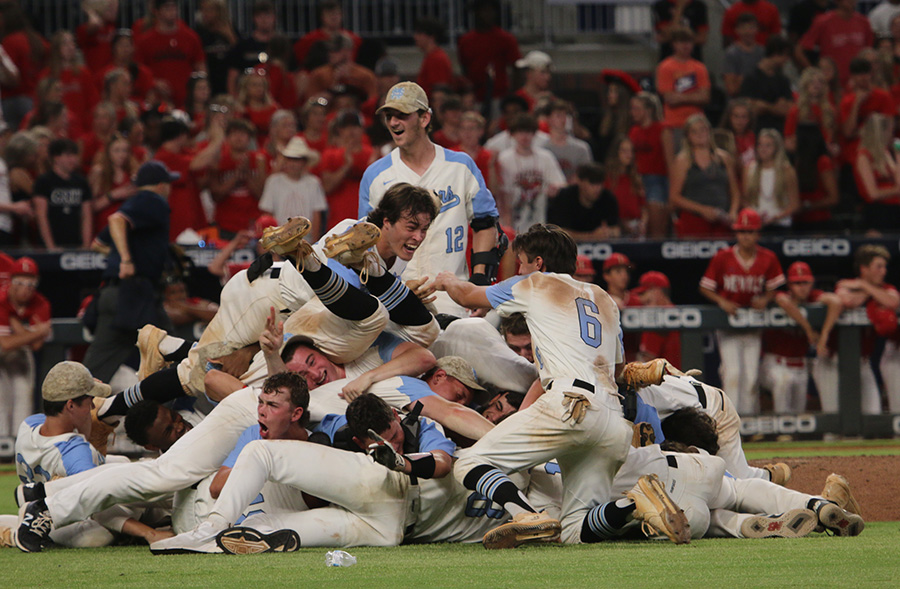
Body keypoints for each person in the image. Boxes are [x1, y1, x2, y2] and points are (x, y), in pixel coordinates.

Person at [431, 224, 684, 547]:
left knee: (469, 462)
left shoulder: (535, 283)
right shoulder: (604, 297)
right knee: (575, 532)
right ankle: (635, 502)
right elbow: (619, 369)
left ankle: (527, 515)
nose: (519, 269)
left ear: (539, 263)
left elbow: (466, 295)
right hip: (612, 419)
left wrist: (446, 280)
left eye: (522, 262)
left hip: (568, 403)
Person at [358, 82, 501, 317]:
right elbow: (367, 242)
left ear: (424, 118)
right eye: (389, 116)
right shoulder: (375, 175)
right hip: (396, 296)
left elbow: (485, 224)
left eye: (402, 115)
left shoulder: (460, 166)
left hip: (454, 296)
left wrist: (478, 281)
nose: (394, 122)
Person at [82, 161, 178, 384]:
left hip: (127, 296)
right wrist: (126, 259)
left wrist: (131, 254)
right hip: (131, 296)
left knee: (173, 355)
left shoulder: (135, 204)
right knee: (177, 358)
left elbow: (98, 243)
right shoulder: (152, 200)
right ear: (162, 185)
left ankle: (175, 412)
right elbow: (116, 220)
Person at [700, 208, 786, 415]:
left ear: (757, 234)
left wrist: (766, 298)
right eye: (741, 231)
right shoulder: (723, 257)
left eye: (750, 231)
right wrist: (721, 301)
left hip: (753, 326)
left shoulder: (768, 257)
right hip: (729, 325)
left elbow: (776, 286)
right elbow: (705, 287)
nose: (745, 236)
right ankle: (732, 423)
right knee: (733, 374)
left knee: (751, 377)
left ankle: (750, 422)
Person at [761, 262, 843, 413]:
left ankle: (794, 436)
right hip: (775, 363)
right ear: (790, 285)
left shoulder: (813, 297)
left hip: (800, 364)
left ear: (812, 283)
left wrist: (824, 336)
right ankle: (782, 434)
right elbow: (783, 301)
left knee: (799, 411)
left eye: (805, 282)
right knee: (782, 384)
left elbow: (836, 301)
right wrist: (808, 329)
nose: (802, 287)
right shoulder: (783, 296)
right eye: (797, 283)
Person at [831, 245, 899, 414]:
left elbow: (893, 302)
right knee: (835, 416)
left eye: (885, 267)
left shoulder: (884, 287)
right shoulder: (846, 285)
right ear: (864, 269)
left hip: (863, 362)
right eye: (878, 267)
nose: (884, 271)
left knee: (873, 413)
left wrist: (864, 286)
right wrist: (871, 291)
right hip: (836, 360)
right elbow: (846, 300)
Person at [0, 257, 51, 439]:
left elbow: (36, 346)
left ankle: (19, 441)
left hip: (18, 354)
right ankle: (2, 441)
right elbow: (4, 343)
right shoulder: (1, 297)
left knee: (22, 390)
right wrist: (36, 332)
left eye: (30, 284)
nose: (25, 289)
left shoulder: (41, 303)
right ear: (11, 283)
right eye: (20, 283)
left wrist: (17, 327)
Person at [669, 114, 741, 237]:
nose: (699, 134)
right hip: (694, 220)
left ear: (709, 131)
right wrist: (703, 210)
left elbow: (735, 192)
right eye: (694, 131)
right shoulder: (683, 161)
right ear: (688, 136)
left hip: (722, 220)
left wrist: (733, 212)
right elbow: (675, 197)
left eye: (703, 129)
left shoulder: (724, 158)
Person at [496, 114, 566, 234]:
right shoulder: (504, 159)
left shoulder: (545, 157)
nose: (524, 136)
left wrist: (554, 188)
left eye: (528, 132)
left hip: (540, 219)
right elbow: (503, 195)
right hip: (513, 220)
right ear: (512, 134)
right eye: (520, 132)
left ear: (534, 134)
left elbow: (560, 183)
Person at [134, 0, 206, 107]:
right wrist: (153, 83)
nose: (172, 12)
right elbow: (138, 70)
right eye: (167, 8)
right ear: (156, 12)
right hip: (159, 102)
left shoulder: (190, 37)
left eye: (174, 8)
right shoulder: (145, 41)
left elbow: (200, 66)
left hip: (186, 101)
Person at [318, 110, 376, 230]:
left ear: (362, 129)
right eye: (346, 127)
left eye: (355, 126)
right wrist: (346, 166)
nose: (351, 131)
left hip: (368, 219)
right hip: (338, 221)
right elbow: (327, 187)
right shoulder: (330, 155)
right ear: (340, 130)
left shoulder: (372, 155)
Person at [32, 138, 93, 250]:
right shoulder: (44, 182)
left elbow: (86, 216)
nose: (73, 160)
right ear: (56, 157)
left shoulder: (81, 182)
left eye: (75, 155)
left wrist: (86, 245)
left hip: (76, 243)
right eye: (68, 155)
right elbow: (41, 217)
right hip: (51, 244)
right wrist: (51, 246)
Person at [258, 137, 327, 235]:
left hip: (305, 239)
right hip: (279, 239)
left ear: (304, 162)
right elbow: (267, 214)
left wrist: (314, 244)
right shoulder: (273, 181)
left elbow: (316, 215)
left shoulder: (313, 182)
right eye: (290, 159)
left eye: (297, 160)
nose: (293, 164)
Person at [456, 0, 521, 103]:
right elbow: (465, 68)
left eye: (491, 11)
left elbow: (517, 67)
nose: (488, 15)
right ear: (477, 13)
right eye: (484, 11)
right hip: (475, 97)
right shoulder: (465, 40)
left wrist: (512, 94)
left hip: (499, 96)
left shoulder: (505, 39)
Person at [796, 0, 874, 85]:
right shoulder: (823, 22)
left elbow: (869, 53)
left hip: (858, 82)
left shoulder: (864, 22)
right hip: (832, 84)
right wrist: (816, 74)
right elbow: (799, 51)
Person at [656, 27, 711, 141]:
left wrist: (680, 97)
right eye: (681, 42)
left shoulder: (699, 67)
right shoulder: (665, 67)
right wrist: (695, 96)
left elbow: (705, 97)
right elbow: (670, 99)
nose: (686, 45)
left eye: (689, 42)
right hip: (674, 124)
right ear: (674, 44)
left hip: (697, 123)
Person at [629, 92, 669, 237]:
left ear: (649, 110)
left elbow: (670, 163)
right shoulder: (634, 131)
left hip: (658, 180)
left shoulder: (662, 129)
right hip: (638, 180)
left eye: (636, 108)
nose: (632, 112)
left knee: (657, 230)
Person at [743, 129, 800, 230]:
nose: (763, 149)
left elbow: (795, 204)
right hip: (755, 226)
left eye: (768, 145)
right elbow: (745, 200)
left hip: (780, 225)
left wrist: (775, 218)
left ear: (777, 148)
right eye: (760, 145)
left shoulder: (786, 170)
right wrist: (755, 216)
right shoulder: (749, 169)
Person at [853, 114, 900, 232]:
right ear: (881, 133)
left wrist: (898, 155)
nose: (892, 136)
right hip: (878, 212)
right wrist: (896, 190)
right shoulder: (863, 156)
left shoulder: (886, 153)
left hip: (895, 209)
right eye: (890, 131)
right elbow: (873, 194)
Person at [737, 36, 793, 133]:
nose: (787, 59)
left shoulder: (783, 80)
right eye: (786, 55)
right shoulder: (751, 78)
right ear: (776, 53)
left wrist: (765, 107)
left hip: (778, 130)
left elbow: (787, 110)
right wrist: (774, 108)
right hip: (756, 129)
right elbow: (749, 109)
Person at [293, 0, 361, 72]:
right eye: (329, 14)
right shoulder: (308, 40)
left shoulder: (355, 39)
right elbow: (301, 64)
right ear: (322, 17)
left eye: (336, 14)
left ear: (342, 15)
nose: (334, 17)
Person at [633, 271, 681, 368]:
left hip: (664, 380)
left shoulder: (655, 319)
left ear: (656, 292)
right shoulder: (678, 312)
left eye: (643, 293)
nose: (641, 299)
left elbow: (645, 364)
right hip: (685, 379)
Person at [784, 67, 837, 154]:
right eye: (812, 82)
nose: (816, 85)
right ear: (805, 85)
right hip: (803, 155)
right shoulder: (795, 111)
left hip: (825, 155)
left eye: (820, 81)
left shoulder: (829, 111)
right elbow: (788, 142)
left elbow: (833, 140)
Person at [542, 100, 593, 183]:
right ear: (548, 119)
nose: (563, 120)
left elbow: (587, 175)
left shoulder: (581, 148)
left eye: (565, 115)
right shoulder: (542, 149)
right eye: (558, 116)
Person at [605, 136, 645, 237]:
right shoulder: (607, 178)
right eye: (624, 151)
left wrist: (643, 223)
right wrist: (622, 223)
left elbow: (643, 206)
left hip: (636, 227)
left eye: (631, 151)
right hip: (614, 228)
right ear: (616, 152)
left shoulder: (635, 178)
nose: (629, 155)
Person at [723, 14, 765, 98]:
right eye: (744, 28)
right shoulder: (731, 53)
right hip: (740, 100)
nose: (748, 32)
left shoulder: (763, 52)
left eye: (751, 28)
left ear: (757, 29)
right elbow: (731, 89)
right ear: (737, 30)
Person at [414, 18, 453, 98]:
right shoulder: (432, 56)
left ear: (431, 37)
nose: (415, 37)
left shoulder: (437, 58)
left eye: (419, 33)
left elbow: (439, 92)